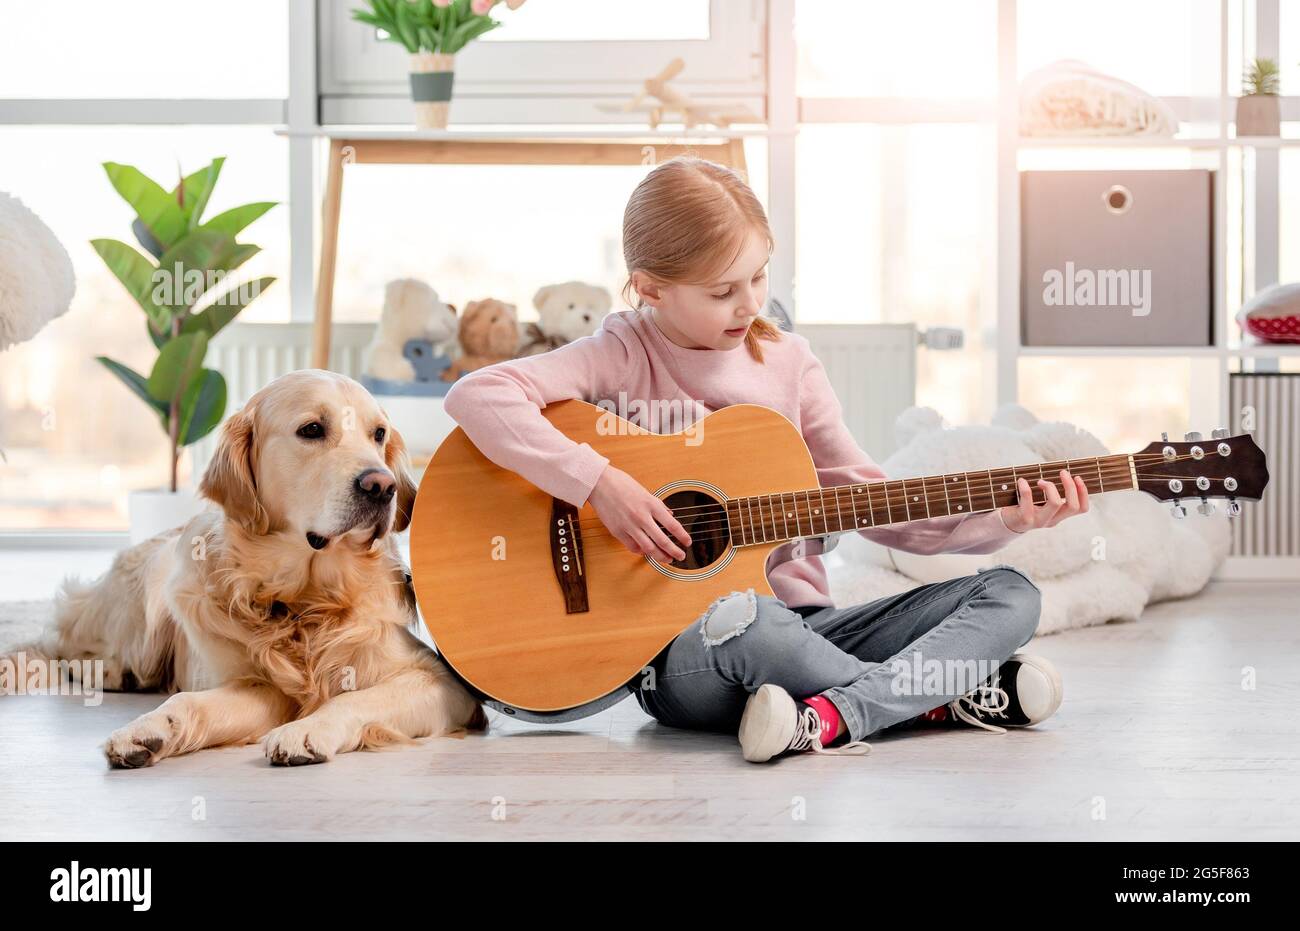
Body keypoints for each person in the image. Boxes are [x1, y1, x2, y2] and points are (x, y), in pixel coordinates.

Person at [442, 156, 1089, 763]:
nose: (750, 304)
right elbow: (481, 394)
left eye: (758, 276)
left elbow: (884, 510)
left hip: (814, 631)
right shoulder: (622, 351)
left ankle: (834, 715)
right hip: (691, 655)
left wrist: (1007, 521)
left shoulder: (789, 364)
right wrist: (599, 483)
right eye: (723, 290)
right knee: (748, 620)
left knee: (1011, 594)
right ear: (650, 289)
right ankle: (934, 698)